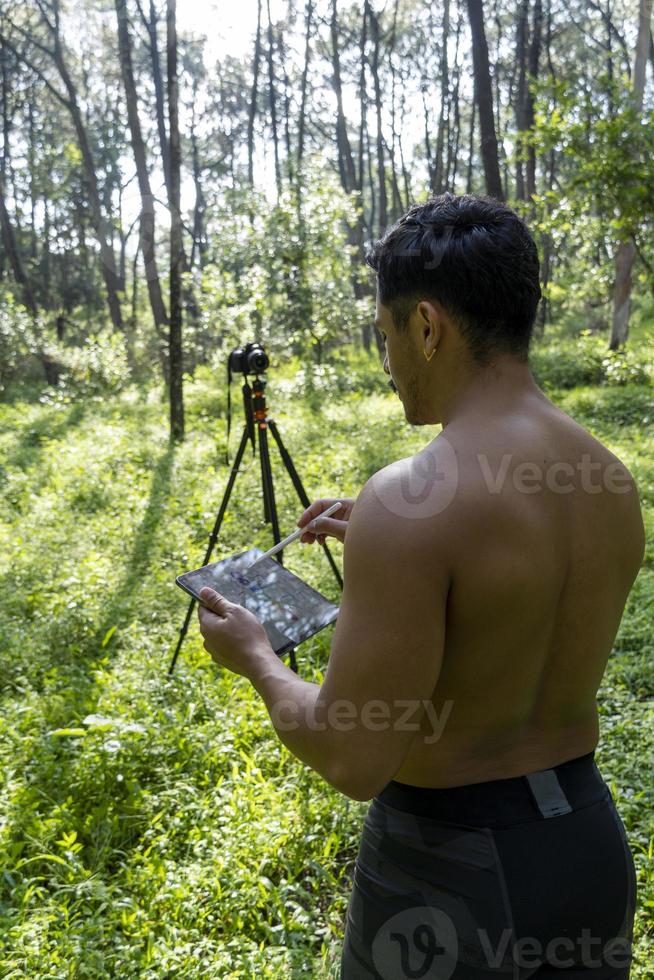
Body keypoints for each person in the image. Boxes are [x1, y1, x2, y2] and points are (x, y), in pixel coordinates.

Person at [197, 193, 645, 979]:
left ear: (428, 327)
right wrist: (379, 528)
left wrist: (261, 660)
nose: (390, 362)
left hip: (448, 871)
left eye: (386, 336)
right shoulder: (608, 478)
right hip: (584, 848)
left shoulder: (410, 503)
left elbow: (350, 756)